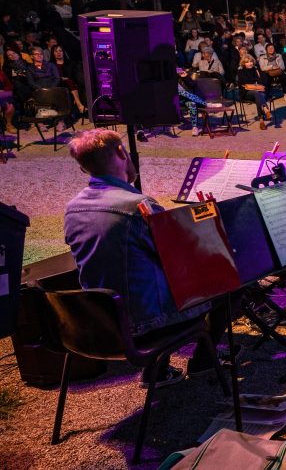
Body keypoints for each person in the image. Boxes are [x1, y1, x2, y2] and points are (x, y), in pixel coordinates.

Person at [63, 129, 224, 386]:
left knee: (141, 273)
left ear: (84, 168)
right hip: (145, 326)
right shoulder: (137, 206)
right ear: (121, 152)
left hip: (97, 323)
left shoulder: (73, 208)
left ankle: (157, 371)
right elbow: (181, 259)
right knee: (231, 281)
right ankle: (205, 358)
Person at [236, 54, 273, 127]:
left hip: (258, 92)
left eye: (251, 61)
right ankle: (265, 108)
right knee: (258, 93)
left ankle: (261, 120)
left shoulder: (256, 70)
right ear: (244, 63)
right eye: (247, 62)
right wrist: (255, 81)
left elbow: (263, 81)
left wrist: (257, 81)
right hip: (246, 93)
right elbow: (245, 82)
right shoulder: (241, 71)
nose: (250, 63)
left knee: (259, 95)